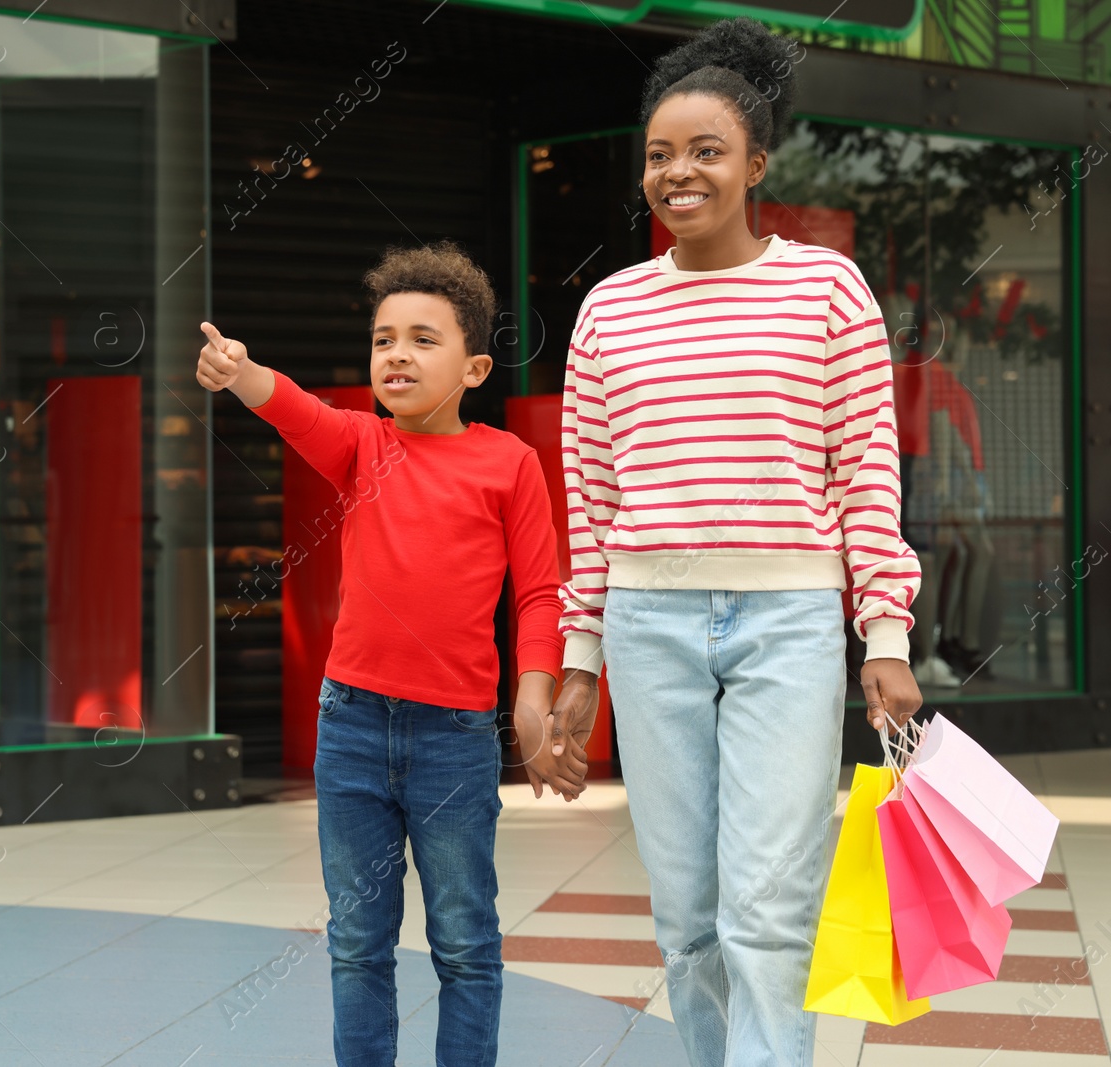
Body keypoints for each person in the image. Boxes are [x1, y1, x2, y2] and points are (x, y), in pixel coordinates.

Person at [549, 18, 925, 1067]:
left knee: (765, 905)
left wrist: (882, 632)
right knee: (686, 914)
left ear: (755, 165)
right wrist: (581, 659)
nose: (679, 173)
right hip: (646, 620)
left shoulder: (825, 291)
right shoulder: (609, 311)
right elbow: (589, 498)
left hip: (789, 623)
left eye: (706, 151)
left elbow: (864, 468)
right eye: (660, 155)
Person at [196, 242, 584, 1066]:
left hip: (455, 739)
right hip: (353, 729)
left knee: (466, 942)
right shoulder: (361, 447)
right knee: (358, 944)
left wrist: (533, 697)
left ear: (475, 367)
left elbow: (540, 595)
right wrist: (241, 370)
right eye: (382, 339)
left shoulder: (509, 462)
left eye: (422, 338)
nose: (397, 354)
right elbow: (294, 407)